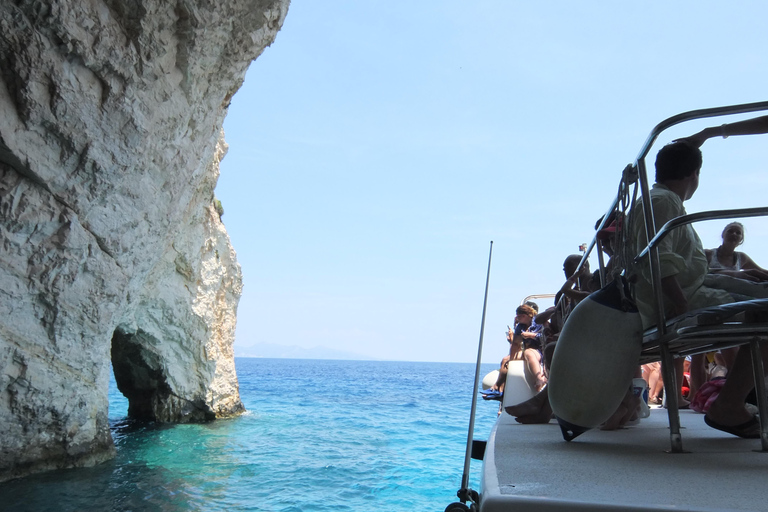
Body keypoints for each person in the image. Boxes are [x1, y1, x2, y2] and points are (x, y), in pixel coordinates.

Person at [630, 140, 768, 437]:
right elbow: (660, 261)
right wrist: (681, 306)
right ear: (694, 174)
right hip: (674, 303)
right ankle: (729, 405)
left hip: (687, 293)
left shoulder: (661, 201)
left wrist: (739, 279)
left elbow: (684, 267)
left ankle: (735, 402)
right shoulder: (664, 202)